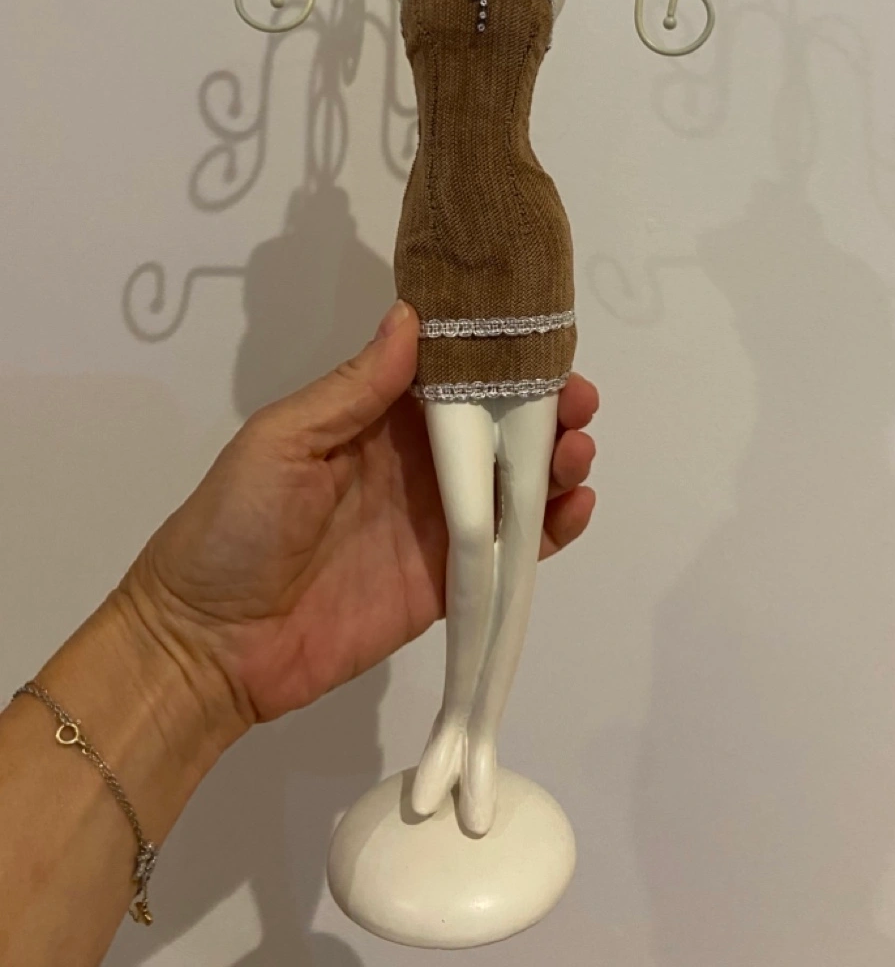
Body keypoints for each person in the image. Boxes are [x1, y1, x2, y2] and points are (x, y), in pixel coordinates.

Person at [0, 300, 599, 967]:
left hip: (533, 329)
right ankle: (453, 723)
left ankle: (480, 736)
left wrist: (177, 649)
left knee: (518, 531)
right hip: (452, 334)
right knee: (471, 529)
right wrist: (179, 641)